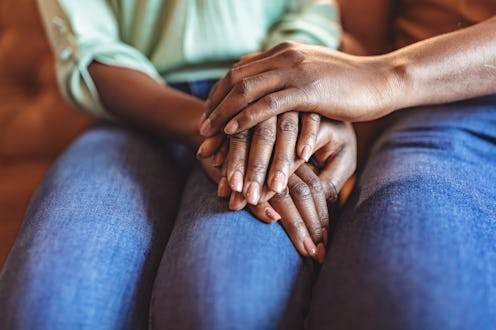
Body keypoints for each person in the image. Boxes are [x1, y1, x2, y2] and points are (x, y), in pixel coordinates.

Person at [0, 1, 351, 329]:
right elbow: (86, 47)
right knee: (45, 304)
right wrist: (214, 127)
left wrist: (270, 101)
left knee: (222, 307)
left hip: (265, 106)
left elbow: (311, 17)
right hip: (132, 107)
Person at [200, 0, 496, 329]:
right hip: (433, 107)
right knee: (396, 300)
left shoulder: (395, 76)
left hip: (417, 83)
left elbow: (379, 72)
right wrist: (317, 112)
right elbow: (360, 39)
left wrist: (388, 77)